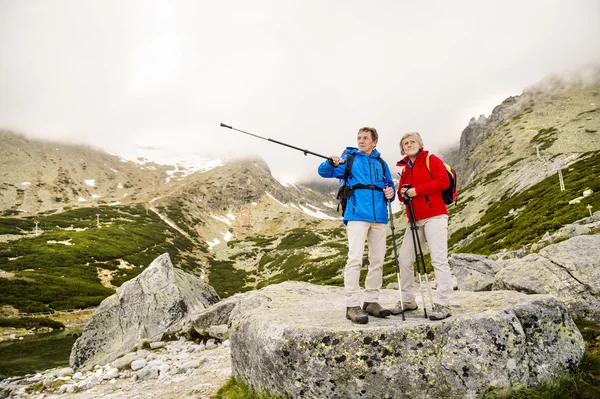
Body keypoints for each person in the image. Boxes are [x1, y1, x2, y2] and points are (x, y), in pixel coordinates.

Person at [318, 127, 396, 324]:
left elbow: (389, 185)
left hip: (379, 217)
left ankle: (371, 301)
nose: (361, 141)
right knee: (355, 260)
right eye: (359, 138)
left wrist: (391, 193)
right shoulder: (349, 158)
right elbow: (324, 172)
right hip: (357, 215)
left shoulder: (381, 162)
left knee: (377, 260)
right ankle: (352, 305)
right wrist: (331, 162)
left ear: (374, 142)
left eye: (365, 138)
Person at [390, 132, 453, 321]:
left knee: (438, 259)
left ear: (419, 144)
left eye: (412, 142)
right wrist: (403, 193)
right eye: (406, 143)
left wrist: (416, 191)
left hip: (435, 216)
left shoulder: (431, 160)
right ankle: (408, 300)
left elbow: (443, 181)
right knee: (404, 259)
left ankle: (444, 303)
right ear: (402, 148)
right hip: (414, 220)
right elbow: (402, 197)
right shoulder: (404, 169)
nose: (409, 145)